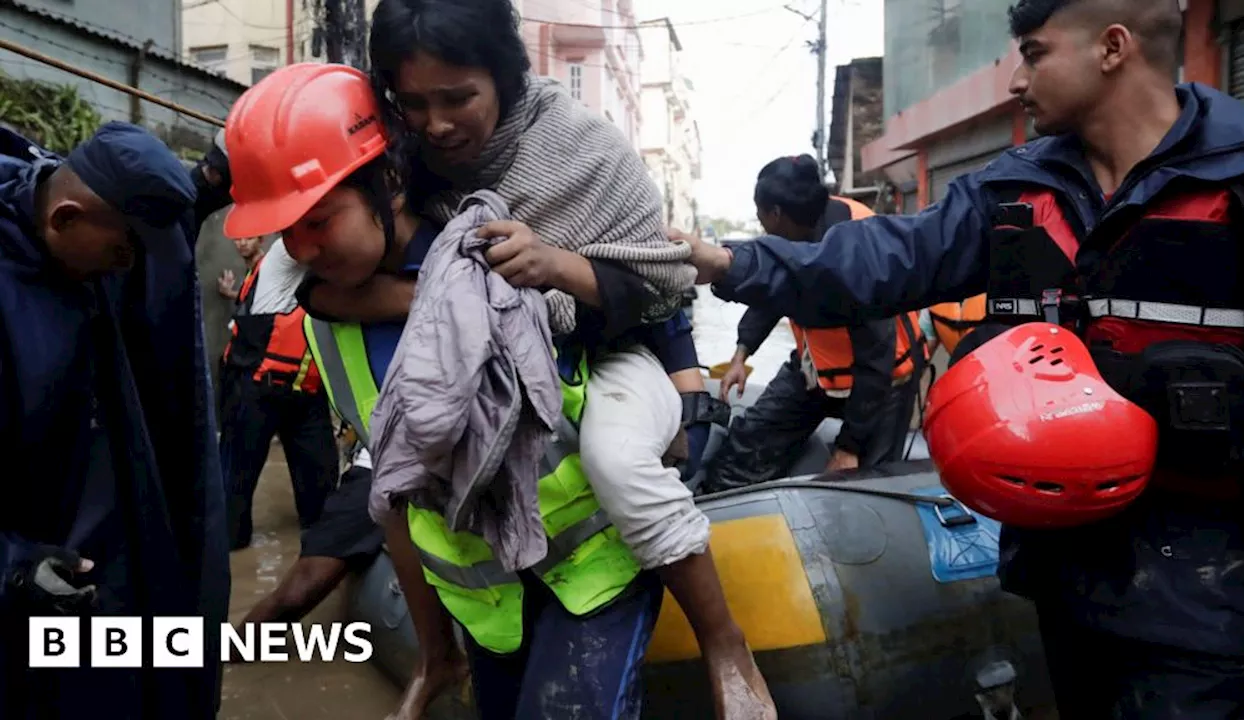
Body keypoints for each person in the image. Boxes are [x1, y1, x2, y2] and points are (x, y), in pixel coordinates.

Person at [678, 0, 1244, 716]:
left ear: (1112, 48)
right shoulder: (1016, 189)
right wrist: (726, 261)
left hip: (1214, 587)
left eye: (1034, 53)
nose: (1016, 81)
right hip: (1064, 569)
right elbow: (884, 259)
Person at [220, 62, 748, 720]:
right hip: (487, 597)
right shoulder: (327, 309)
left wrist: (689, 404)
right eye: (286, 232)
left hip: (593, 565)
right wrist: (436, 647)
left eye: (319, 221)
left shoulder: (502, 246)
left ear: (386, 182)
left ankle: (727, 646)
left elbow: (644, 294)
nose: (301, 247)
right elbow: (396, 487)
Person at [354, 1, 772, 716]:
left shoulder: (584, 151)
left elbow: (662, 284)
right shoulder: (402, 165)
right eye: (413, 102)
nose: (437, 123)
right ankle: (436, 653)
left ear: (505, 76)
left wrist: (557, 266)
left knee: (616, 458)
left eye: (458, 98)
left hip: (611, 373)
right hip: (494, 535)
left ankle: (725, 642)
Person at [0, 122, 229, 717]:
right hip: (35, 578)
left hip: (114, 543)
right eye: (121, 254)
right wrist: (13, 569)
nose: (128, 271)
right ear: (65, 219)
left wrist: (210, 179)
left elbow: (152, 228)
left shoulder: (81, 232)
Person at [703, 156, 926, 493]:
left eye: (760, 212)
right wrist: (741, 354)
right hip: (818, 367)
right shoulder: (791, 233)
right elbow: (769, 297)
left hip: (884, 378)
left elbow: (876, 357)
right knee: (749, 440)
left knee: (867, 485)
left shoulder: (856, 246)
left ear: (775, 213)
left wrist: (849, 448)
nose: (759, 222)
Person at [217, 237, 340, 550]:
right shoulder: (287, 251)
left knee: (321, 485)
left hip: (308, 392)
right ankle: (228, 547)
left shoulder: (331, 278)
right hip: (258, 388)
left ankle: (322, 552)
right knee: (236, 480)